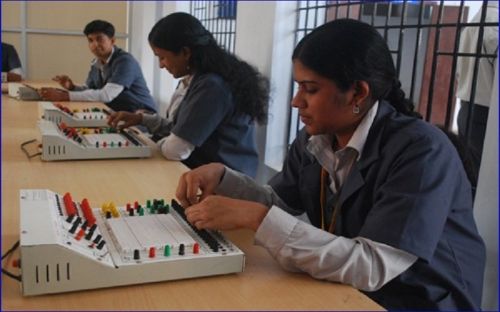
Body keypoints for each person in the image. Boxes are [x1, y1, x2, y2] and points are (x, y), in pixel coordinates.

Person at [176, 19, 485, 310]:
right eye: (298, 87)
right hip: (350, 287)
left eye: (310, 89)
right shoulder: (317, 138)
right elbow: (281, 202)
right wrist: (224, 178)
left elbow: (373, 266)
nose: (297, 101)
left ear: (358, 93)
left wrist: (257, 218)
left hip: (416, 298)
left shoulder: (421, 151)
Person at [108, 13, 269, 177]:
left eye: (162, 57)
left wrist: (151, 144)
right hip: (198, 172)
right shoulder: (195, 79)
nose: (161, 65)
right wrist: (142, 119)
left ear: (185, 52)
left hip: (220, 184)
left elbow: (175, 150)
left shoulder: (212, 86)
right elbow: (181, 128)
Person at [39, 20, 157, 113]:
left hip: (141, 118)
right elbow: (91, 90)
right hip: (116, 115)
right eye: (90, 40)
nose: (94, 45)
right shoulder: (96, 63)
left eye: (99, 39)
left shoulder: (125, 61)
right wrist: (72, 87)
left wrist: (65, 96)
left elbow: (106, 95)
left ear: (112, 40)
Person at [456, 1, 498, 187]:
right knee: (487, 180)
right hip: (487, 115)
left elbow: (459, 73)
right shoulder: (494, 24)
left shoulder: (473, 23)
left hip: (467, 108)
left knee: (472, 175)